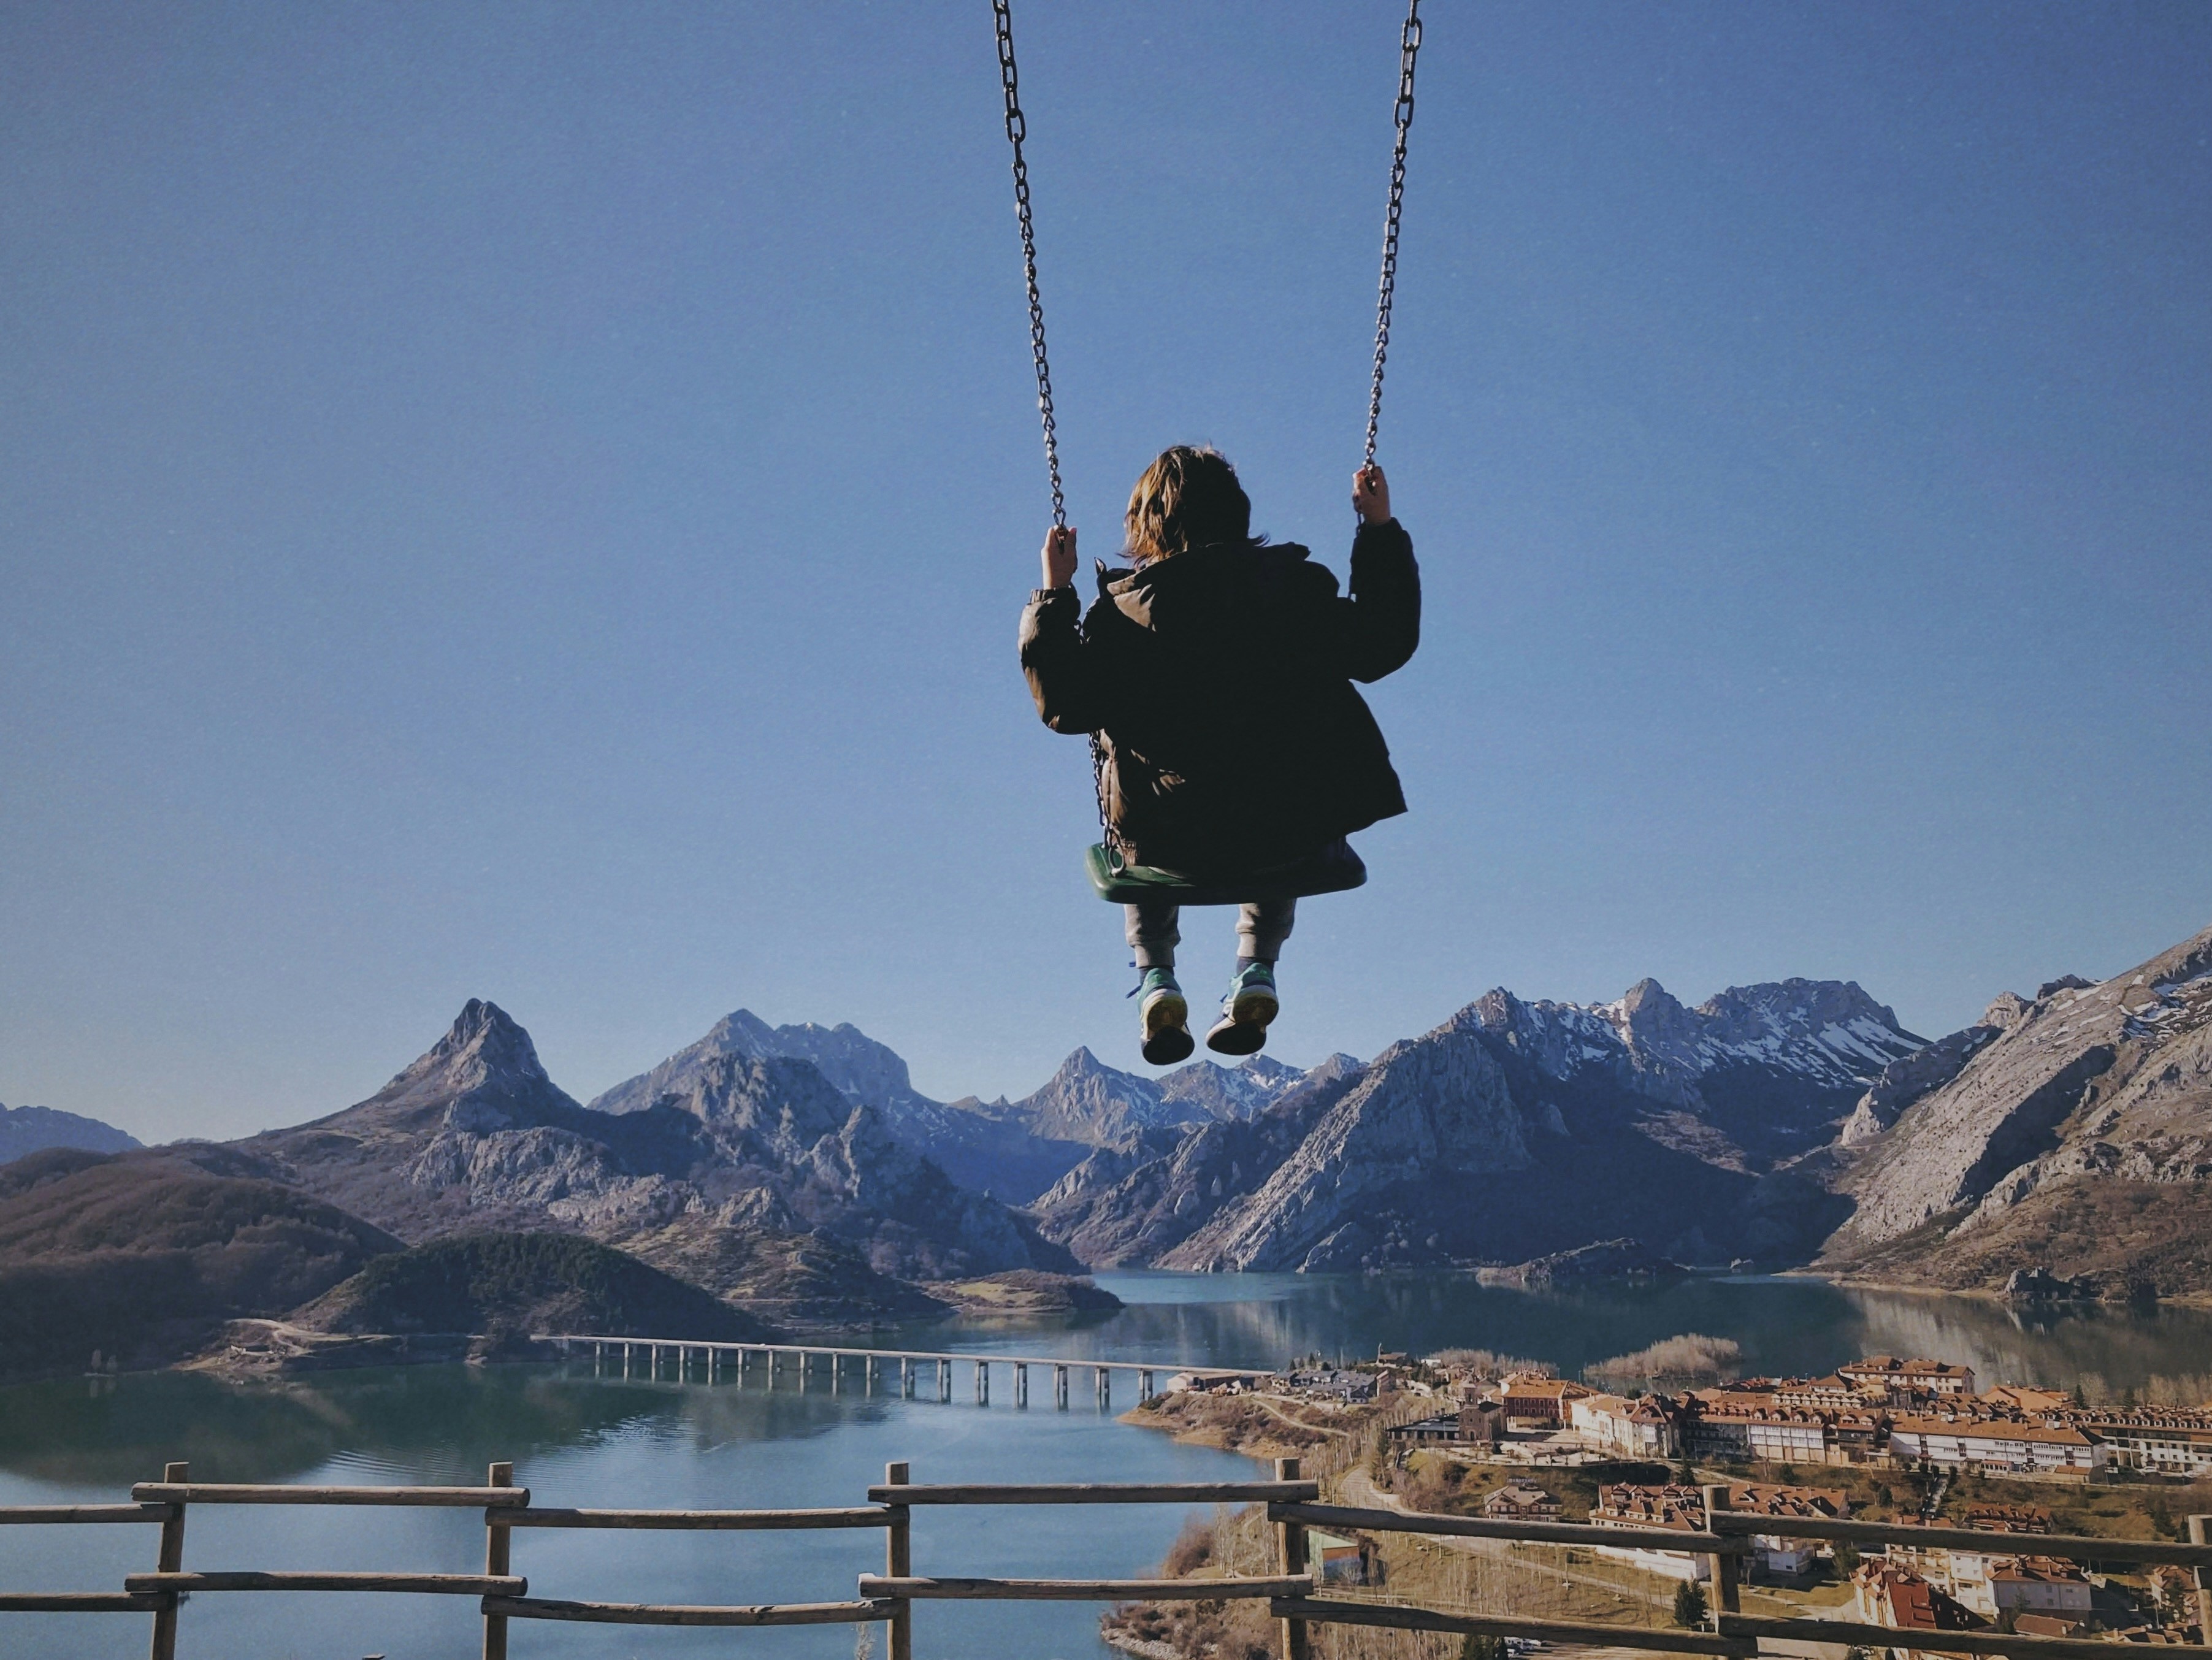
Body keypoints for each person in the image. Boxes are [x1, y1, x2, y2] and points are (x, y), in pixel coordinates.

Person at [1019, 445, 1420, 1064]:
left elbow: (1063, 706)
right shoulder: (1296, 597)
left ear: (1145, 528)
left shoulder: (1119, 618)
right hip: (1286, 838)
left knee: (1143, 788)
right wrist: (1378, 530)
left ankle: (1155, 977)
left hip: (1166, 842)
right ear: (1235, 516)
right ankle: (1256, 968)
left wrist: (1055, 594)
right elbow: (1381, 642)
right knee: (1281, 784)